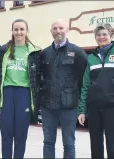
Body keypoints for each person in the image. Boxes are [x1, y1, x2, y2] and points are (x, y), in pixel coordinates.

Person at [78, 23, 114, 159]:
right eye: (98, 35)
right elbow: (85, 85)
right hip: (94, 108)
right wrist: (82, 110)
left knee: (113, 147)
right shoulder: (91, 58)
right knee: (95, 146)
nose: (101, 37)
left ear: (111, 35)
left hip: (113, 107)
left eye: (104, 34)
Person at [40, 19, 87, 158]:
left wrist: (77, 99)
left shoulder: (77, 52)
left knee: (69, 143)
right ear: (51, 31)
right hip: (48, 105)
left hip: (69, 105)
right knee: (48, 141)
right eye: (55, 28)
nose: (58, 31)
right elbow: (40, 77)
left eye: (61, 28)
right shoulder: (45, 53)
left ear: (67, 30)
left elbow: (83, 78)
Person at [0, 19, 41, 158]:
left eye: (22, 29)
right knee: (6, 134)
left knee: (21, 135)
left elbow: (39, 77)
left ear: (26, 31)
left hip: (24, 94)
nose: (19, 32)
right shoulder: (3, 50)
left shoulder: (35, 52)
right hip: (7, 94)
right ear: (12, 31)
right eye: (16, 29)